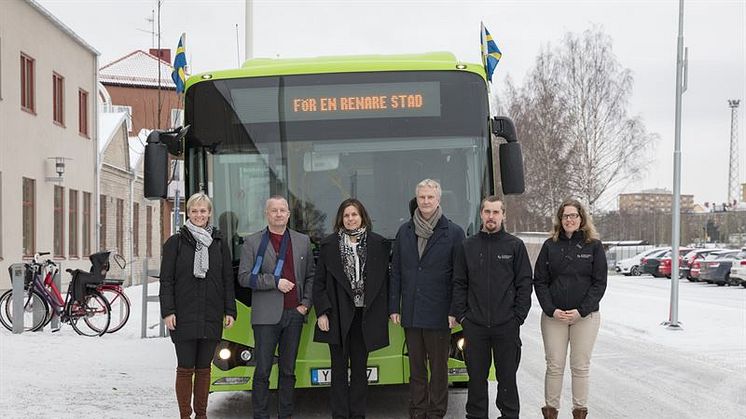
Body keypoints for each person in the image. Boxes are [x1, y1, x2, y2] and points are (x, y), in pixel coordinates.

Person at [449, 196, 533, 419]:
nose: (491, 216)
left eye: (496, 212)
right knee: (476, 379)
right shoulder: (467, 246)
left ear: (503, 215)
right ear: (481, 214)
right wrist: (463, 317)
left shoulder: (515, 246)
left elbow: (524, 283)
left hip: (507, 326)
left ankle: (509, 415)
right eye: (487, 212)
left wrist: (517, 317)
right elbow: (459, 283)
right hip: (474, 326)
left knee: (507, 378)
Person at [389, 179, 465, 419]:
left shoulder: (453, 233)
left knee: (439, 370)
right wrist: (394, 307)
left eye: (430, 197)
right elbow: (397, 272)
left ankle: (436, 412)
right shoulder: (405, 231)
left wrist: (455, 310)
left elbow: (459, 277)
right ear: (416, 199)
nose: (426, 201)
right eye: (422, 197)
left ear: (438, 199)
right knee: (416, 369)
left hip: (440, 314)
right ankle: (417, 411)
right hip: (411, 312)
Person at [159, 192, 237, 419]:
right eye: (194, 210)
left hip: (212, 313)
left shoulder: (220, 243)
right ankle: (185, 415)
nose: (199, 215)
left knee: (204, 369)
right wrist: (168, 311)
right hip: (183, 314)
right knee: (185, 368)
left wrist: (229, 310)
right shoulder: (176, 243)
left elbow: (226, 279)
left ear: (209, 213)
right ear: (188, 213)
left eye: (203, 211)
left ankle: (201, 415)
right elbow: (167, 280)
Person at [238, 196, 315, 419]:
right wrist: (274, 281)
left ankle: (286, 414)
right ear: (267, 214)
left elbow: (311, 275)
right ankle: (261, 415)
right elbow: (244, 278)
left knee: (288, 371)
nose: (279, 214)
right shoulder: (252, 242)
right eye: (274, 210)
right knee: (262, 371)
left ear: (289, 214)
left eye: (283, 210)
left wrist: (305, 305)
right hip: (265, 318)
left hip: (295, 314)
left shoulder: (302, 241)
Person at [313, 198, 391, 419]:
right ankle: (339, 415)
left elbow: (385, 282)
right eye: (346, 215)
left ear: (362, 217)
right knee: (338, 369)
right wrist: (322, 312)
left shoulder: (379, 244)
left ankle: (358, 414)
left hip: (364, 317)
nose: (350, 219)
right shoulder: (328, 246)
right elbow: (319, 283)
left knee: (359, 370)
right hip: (337, 315)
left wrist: (386, 312)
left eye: (354, 215)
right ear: (341, 219)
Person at [533, 198, 607, 419]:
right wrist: (551, 309)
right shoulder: (550, 246)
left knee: (580, 366)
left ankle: (579, 411)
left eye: (574, 215)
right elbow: (540, 281)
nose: (570, 220)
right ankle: (551, 411)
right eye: (566, 216)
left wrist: (582, 310)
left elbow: (599, 283)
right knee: (554, 365)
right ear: (560, 219)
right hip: (554, 317)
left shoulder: (593, 246)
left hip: (585, 317)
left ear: (581, 218)